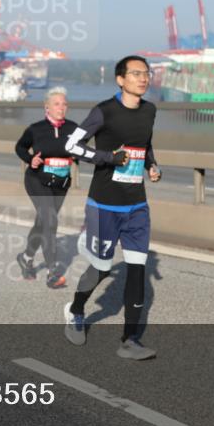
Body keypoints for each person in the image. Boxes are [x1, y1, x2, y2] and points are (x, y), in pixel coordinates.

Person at [62, 56, 162, 360]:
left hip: (136, 205)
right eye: (136, 74)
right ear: (120, 79)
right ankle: (76, 310)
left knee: (137, 269)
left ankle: (130, 340)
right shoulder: (104, 111)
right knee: (103, 267)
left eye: (146, 73)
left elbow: (144, 145)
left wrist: (151, 165)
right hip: (104, 204)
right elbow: (71, 146)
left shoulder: (149, 110)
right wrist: (107, 158)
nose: (143, 78)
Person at [14, 87, 80, 288]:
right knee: (50, 220)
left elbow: (84, 150)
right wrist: (30, 159)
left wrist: (108, 158)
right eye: (57, 104)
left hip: (61, 183)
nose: (61, 108)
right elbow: (20, 147)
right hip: (37, 179)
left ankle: (26, 257)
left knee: (43, 222)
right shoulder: (36, 128)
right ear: (47, 107)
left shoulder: (73, 129)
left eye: (64, 104)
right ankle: (53, 271)